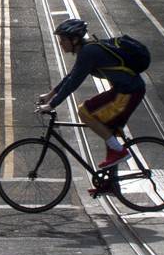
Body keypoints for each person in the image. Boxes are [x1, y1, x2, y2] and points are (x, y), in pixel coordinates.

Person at [37, 16, 146, 197]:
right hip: (124, 90)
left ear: (74, 39)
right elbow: (72, 75)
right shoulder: (87, 51)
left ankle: (119, 152)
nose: (61, 44)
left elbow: (74, 83)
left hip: (128, 92)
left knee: (85, 111)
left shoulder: (89, 52)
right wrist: (50, 95)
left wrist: (52, 105)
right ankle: (112, 184)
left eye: (63, 40)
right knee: (107, 130)